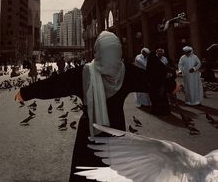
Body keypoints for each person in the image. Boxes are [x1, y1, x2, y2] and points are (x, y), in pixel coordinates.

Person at [15, 31, 178, 181]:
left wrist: (26, 92)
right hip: (116, 131)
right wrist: (171, 86)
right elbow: (151, 80)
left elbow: (54, 85)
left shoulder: (84, 73)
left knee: (87, 170)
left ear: (97, 51)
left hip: (90, 132)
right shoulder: (126, 72)